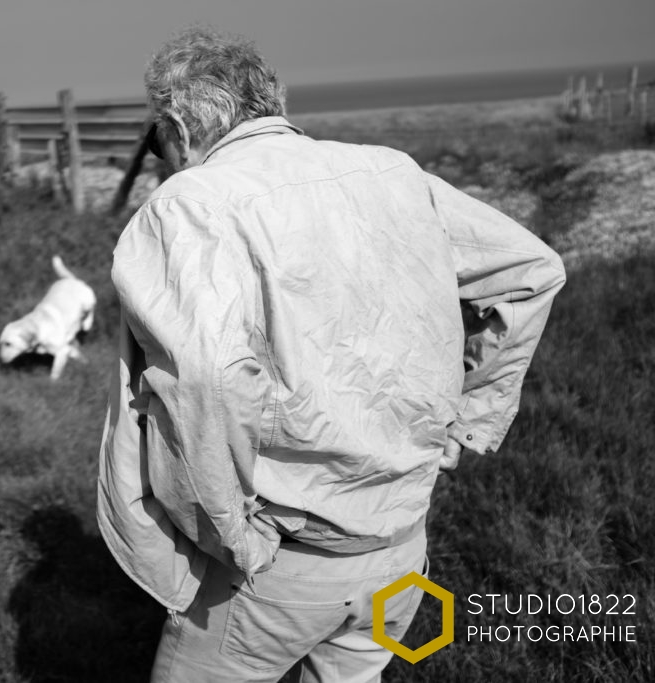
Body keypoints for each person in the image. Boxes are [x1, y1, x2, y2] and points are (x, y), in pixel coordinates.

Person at [96, 26, 566, 683]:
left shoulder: (194, 203)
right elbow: (533, 269)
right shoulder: (391, 172)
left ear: (175, 123)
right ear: (273, 101)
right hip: (401, 545)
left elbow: (203, 377)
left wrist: (230, 536)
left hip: (283, 559)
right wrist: (471, 416)